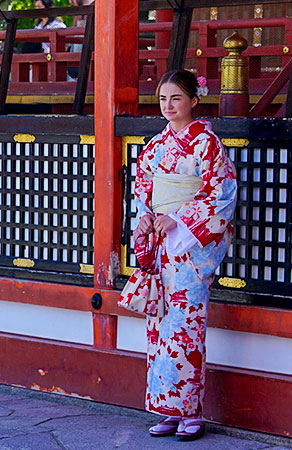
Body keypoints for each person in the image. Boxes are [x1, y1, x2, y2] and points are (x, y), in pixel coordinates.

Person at [129, 69, 237, 441]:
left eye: (176, 98)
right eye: (163, 99)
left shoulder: (207, 144)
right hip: (162, 244)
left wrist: (176, 218)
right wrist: (145, 218)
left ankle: (190, 411)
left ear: (193, 100)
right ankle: (166, 408)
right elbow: (144, 190)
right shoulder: (156, 145)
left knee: (186, 327)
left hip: (189, 249)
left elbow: (221, 196)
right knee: (159, 328)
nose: (169, 106)